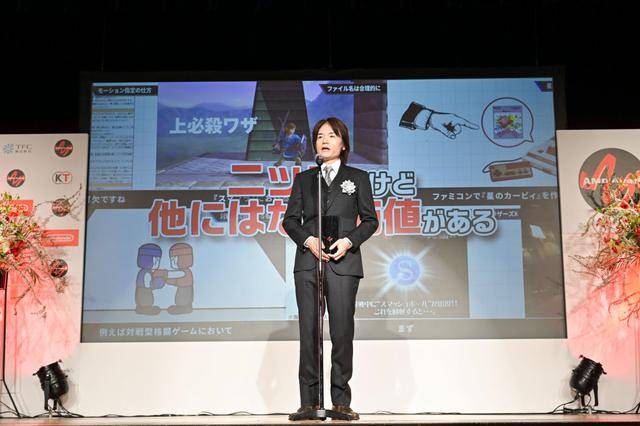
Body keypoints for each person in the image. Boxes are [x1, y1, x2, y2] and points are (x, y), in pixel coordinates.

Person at [283, 117, 378, 421]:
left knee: (342, 332)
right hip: (308, 263)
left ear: (343, 143)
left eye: (331, 135)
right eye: (319, 136)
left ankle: (340, 402)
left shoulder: (358, 178)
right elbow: (290, 220)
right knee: (309, 333)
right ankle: (309, 402)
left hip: (343, 264)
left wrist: (348, 242)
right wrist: (308, 239)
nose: (324, 141)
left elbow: (371, 221)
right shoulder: (305, 179)